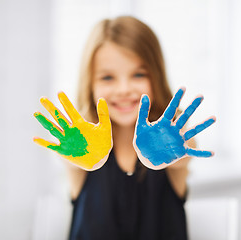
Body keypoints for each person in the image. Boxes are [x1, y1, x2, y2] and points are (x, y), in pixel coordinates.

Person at [34, 16, 215, 240]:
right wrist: (75, 154)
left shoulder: (170, 145)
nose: (124, 89)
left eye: (138, 74)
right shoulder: (82, 151)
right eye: (107, 77)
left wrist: (177, 148)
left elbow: (185, 154)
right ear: (90, 83)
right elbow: (68, 161)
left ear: (156, 76)